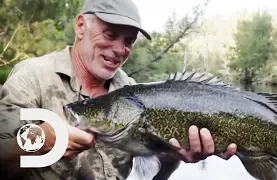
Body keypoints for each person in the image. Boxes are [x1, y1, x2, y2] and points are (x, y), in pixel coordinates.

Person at [0, 0, 237, 179]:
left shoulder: (133, 92)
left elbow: (153, 175)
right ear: (81, 26)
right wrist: (42, 141)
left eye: (128, 41)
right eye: (110, 34)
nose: (119, 49)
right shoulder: (33, 77)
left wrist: (171, 154)